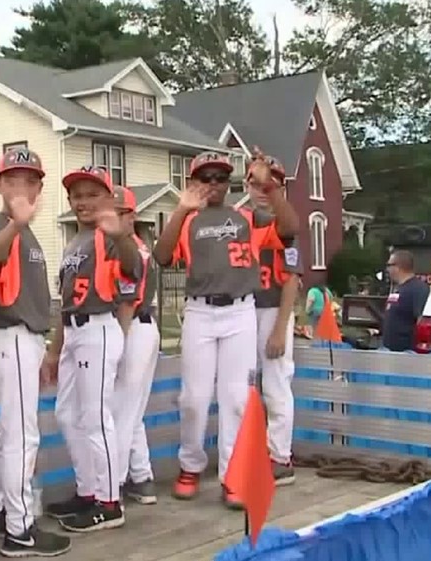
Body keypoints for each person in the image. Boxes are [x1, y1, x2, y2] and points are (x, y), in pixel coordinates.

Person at [151, 150, 297, 509]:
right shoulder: (188, 220)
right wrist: (181, 208)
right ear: (193, 183)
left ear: (230, 183)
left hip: (240, 311)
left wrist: (270, 186)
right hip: (201, 312)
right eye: (205, 178)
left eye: (220, 178)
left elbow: (290, 230)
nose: (213, 184)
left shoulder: (248, 217)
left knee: (235, 399)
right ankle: (191, 464)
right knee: (194, 399)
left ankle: (233, 475)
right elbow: (162, 256)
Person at [0, 148, 71, 557]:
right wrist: (16, 224)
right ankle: (19, 528)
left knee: (10, 433)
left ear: (38, 187)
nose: (21, 186)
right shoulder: (5, 226)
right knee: (22, 435)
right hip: (9, 335)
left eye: (29, 180)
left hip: (25, 336)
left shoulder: (25, 230)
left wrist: (47, 343)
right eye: (12, 179)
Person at [43, 166, 143, 533]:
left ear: (108, 198)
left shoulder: (110, 234)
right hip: (73, 331)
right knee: (67, 414)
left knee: (96, 417)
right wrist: (54, 350)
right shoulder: (74, 242)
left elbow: (133, 271)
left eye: (92, 194)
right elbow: (65, 302)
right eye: (77, 195)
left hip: (99, 327)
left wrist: (123, 236)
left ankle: (109, 501)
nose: (83, 201)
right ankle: (88, 491)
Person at [245, 159, 302, 486]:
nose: (262, 191)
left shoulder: (286, 225)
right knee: (244, 386)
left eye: (270, 184)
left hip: (271, 309)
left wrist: (281, 327)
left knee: (276, 385)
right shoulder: (239, 223)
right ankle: (250, 451)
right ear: (246, 187)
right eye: (256, 184)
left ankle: (280, 457)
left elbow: (292, 278)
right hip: (241, 311)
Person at [110, 185, 161, 506]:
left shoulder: (131, 251)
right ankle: (141, 477)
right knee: (132, 410)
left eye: (119, 213)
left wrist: (115, 345)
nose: (113, 218)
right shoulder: (136, 246)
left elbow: (128, 303)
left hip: (132, 328)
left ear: (131, 217)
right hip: (143, 329)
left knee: (120, 412)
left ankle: (111, 485)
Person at [383, 250, 430, 352]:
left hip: (406, 352)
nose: (387, 269)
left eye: (389, 265)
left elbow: (421, 319)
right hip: (390, 350)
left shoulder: (418, 289)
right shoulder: (398, 288)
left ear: (399, 266)